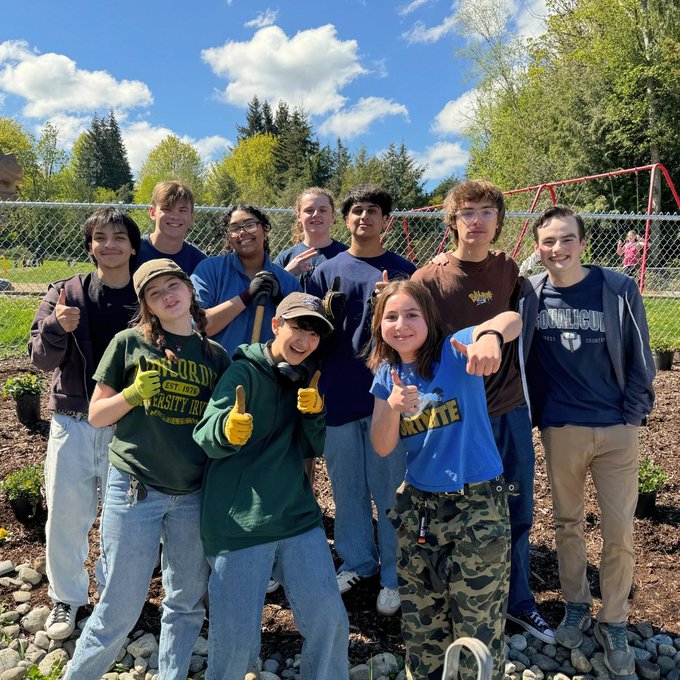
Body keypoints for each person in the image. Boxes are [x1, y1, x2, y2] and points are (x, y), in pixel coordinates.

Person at [65, 259, 229, 679]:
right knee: (119, 603)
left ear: (190, 292)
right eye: (156, 294)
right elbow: (99, 414)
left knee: (186, 601)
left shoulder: (215, 355)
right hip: (135, 487)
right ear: (148, 306)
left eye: (174, 286)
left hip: (192, 492)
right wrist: (134, 394)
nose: (168, 295)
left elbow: (219, 426)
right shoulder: (128, 343)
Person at [412, 179, 555, 644]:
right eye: (467, 212)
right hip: (453, 417)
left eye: (486, 211)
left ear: (498, 220)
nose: (477, 220)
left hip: (506, 407)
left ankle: (517, 602)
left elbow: (513, 319)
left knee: (515, 508)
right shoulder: (428, 279)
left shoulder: (507, 269)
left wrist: (491, 331)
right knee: (449, 515)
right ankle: (454, 608)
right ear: (452, 221)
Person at [520, 205, 655, 676]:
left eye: (566, 239)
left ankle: (613, 618)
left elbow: (641, 355)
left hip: (616, 429)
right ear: (538, 248)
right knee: (567, 522)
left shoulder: (617, 288)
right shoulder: (531, 295)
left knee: (620, 530)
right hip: (563, 428)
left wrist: (633, 414)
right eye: (548, 242)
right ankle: (576, 602)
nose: (558, 249)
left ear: (582, 242)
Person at [193, 292, 349, 680]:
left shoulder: (303, 379)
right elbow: (206, 435)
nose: (305, 341)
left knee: (329, 618)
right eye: (298, 328)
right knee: (235, 638)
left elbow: (315, 447)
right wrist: (228, 430)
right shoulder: (241, 374)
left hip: (296, 516)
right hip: (241, 522)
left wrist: (315, 414)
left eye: (314, 334)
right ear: (277, 325)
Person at [368, 280, 519, 680]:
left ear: (429, 319)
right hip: (419, 507)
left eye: (411, 314)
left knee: (477, 623)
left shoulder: (455, 349)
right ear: (379, 325)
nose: (401, 324)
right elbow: (382, 446)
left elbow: (512, 319)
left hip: (477, 504)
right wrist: (394, 408)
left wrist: (488, 336)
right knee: (422, 623)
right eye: (391, 316)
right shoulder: (388, 373)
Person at [28, 208, 141, 641]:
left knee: (122, 519)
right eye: (99, 237)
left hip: (127, 424)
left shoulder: (147, 292)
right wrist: (56, 326)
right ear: (89, 245)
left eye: (118, 237)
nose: (109, 245)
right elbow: (40, 358)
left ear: (133, 245)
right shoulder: (65, 292)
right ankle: (67, 597)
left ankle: (113, 600)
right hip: (72, 420)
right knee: (65, 513)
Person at [307, 184, 416, 616]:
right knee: (347, 488)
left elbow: (415, 336)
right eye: (356, 211)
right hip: (338, 394)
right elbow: (310, 335)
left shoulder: (403, 271)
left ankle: (394, 572)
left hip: (386, 398)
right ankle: (358, 561)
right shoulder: (324, 270)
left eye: (373, 211)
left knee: (390, 488)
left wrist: (384, 308)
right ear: (345, 219)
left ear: (385, 221)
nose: (363, 218)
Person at [191, 204, 300, 355]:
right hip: (218, 371)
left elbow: (300, 336)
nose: (242, 232)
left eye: (250, 225)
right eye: (234, 229)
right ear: (229, 237)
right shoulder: (209, 270)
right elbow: (199, 326)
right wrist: (247, 295)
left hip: (265, 374)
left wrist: (279, 302)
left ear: (265, 230)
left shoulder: (288, 282)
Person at [274, 187, 348, 290]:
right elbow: (268, 294)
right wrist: (287, 274)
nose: (316, 214)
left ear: (333, 215)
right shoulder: (286, 258)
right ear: (298, 215)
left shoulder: (347, 255)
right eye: (309, 210)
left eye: (323, 210)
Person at [136, 180, 206, 275]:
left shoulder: (200, 263)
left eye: (182, 210)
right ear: (153, 212)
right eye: (167, 209)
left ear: (192, 217)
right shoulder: (132, 252)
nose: (174, 216)